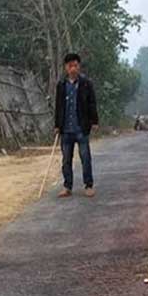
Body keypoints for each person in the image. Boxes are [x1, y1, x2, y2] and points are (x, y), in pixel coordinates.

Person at [54, 53, 99, 198]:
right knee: (66, 159)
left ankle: (89, 185)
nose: (73, 68)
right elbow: (58, 106)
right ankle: (67, 186)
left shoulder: (86, 83)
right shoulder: (61, 85)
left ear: (78, 66)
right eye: (70, 66)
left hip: (81, 127)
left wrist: (94, 121)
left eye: (75, 65)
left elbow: (92, 103)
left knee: (85, 157)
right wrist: (57, 125)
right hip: (66, 129)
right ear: (66, 68)